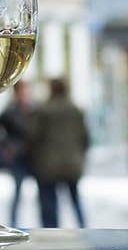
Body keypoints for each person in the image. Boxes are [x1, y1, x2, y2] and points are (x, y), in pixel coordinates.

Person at [26, 78, 89, 228]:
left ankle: (51, 231)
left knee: (48, 203)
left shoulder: (43, 111)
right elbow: (85, 138)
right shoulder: (76, 110)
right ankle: (83, 227)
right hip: (72, 164)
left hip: (47, 165)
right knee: (75, 199)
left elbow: (32, 136)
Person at [0, 81, 33, 227]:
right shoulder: (10, 111)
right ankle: (14, 224)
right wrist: (6, 146)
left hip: (35, 157)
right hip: (19, 160)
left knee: (44, 194)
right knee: (17, 193)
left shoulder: (34, 108)